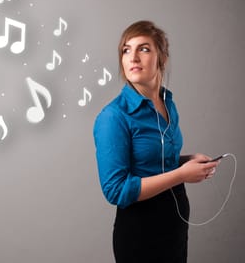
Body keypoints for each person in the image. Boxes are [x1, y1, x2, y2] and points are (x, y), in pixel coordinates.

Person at [93, 20, 219, 263]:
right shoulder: (113, 117)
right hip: (141, 235)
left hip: (175, 226)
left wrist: (186, 161)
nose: (133, 57)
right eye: (126, 50)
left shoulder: (167, 103)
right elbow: (116, 190)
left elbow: (153, 161)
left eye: (144, 48)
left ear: (161, 57)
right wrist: (182, 174)